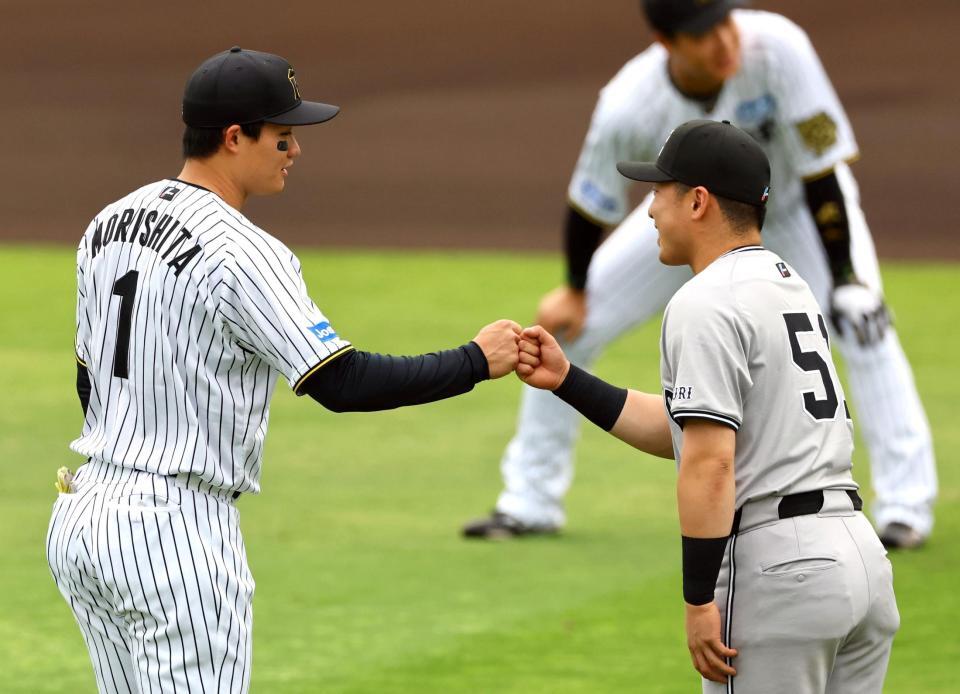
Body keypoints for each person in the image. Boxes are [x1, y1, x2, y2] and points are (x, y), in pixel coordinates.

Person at [45, 46, 522, 694]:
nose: (295, 151)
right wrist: (473, 361)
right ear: (234, 137)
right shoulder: (244, 251)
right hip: (173, 530)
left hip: (85, 516)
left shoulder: (109, 223)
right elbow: (341, 381)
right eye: (283, 136)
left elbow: (88, 378)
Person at [463, 0, 936, 548]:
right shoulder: (628, 103)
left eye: (724, 21)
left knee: (864, 324)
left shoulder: (779, 46)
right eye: (702, 33)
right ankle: (528, 501)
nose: (724, 40)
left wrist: (847, 276)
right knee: (565, 330)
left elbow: (821, 166)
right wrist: (573, 288)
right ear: (667, 43)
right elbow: (590, 200)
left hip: (798, 211)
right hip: (688, 217)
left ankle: (906, 507)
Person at [516, 118, 899, 692]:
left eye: (658, 192)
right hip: (860, 562)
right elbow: (683, 429)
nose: (648, 211)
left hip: (782, 572)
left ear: (697, 202)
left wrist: (699, 600)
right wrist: (567, 380)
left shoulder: (706, 301)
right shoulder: (788, 284)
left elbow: (710, 461)